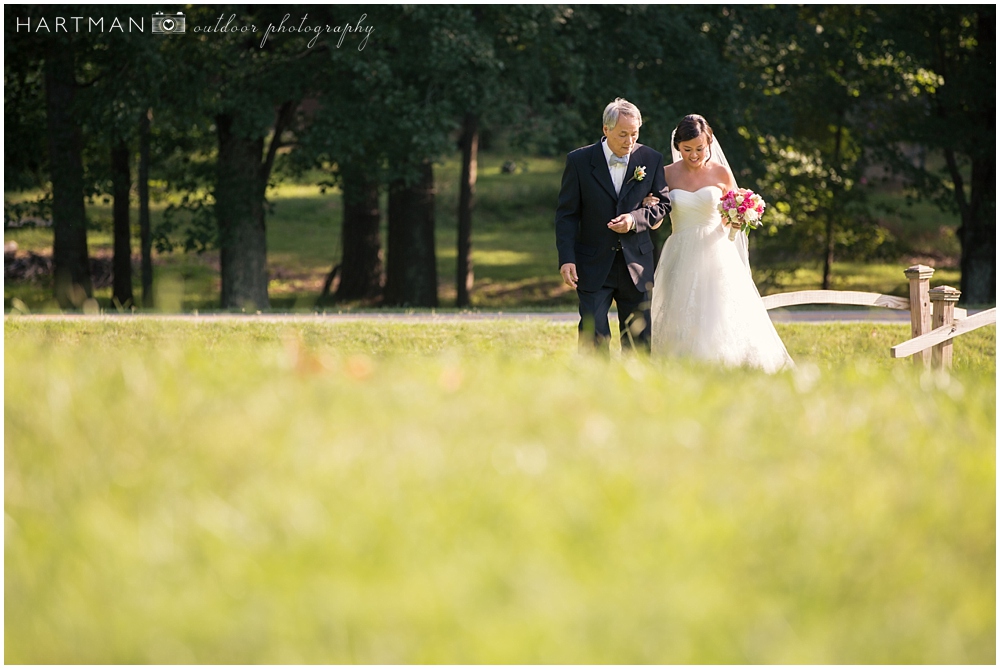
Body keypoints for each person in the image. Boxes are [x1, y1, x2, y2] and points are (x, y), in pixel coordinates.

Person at [644, 114, 793, 373]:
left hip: (716, 249)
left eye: (700, 149)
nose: (694, 155)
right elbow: (656, 223)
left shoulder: (721, 172)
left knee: (718, 307)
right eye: (687, 149)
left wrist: (738, 220)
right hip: (680, 249)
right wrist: (649, 207)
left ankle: (726, 363)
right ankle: (681, 366)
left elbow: (732, 209)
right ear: (677, 145)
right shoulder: (666, 174)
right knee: (681, 309)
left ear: (709, 143)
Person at [555, 98, 671, 352]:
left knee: (639, 343)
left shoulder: (651, 159)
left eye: (634, 133)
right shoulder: (579, 161)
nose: (629, 141)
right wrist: (566, 258)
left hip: (637, 265)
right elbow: (567, 215)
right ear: (605, 130)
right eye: (622, 134)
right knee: (593, 339)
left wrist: (634, 219)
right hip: (593, 264)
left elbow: (663, 205)